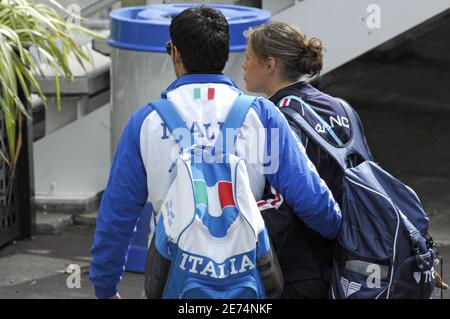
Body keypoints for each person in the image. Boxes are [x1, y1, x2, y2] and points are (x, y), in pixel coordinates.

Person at [89, 7, 342, 299]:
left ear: (176, 54)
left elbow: (117, 217)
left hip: (173, 282)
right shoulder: (261, 116)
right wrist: (340, 241)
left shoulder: (146, 122)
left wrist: (106, 287)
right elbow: (313, 200)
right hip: (247, 286)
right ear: (225, 56)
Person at [241, 22, 373, 299]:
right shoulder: (341, 108)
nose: (243, 65)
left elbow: (281, 203)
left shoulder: (272, 118)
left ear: (270, 65)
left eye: (248, 58)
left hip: (296, 271)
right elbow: (368, 181)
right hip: (348, 263)